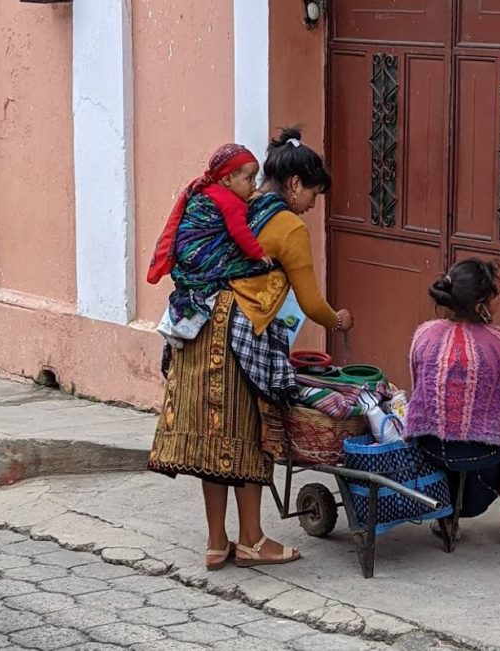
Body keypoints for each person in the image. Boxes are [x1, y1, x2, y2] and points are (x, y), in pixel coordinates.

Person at [148, 127, 354, 569]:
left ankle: (216, 542)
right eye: (314, 195)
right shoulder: (288, 226)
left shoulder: (239, 202)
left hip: (196, 325)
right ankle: (254, 541)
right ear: (296, 184)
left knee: (210, 438)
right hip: (240, 337)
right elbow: (312, 302)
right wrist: (338, 320)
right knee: (248, 436)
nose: (314, 206)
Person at [404, 257, 500, 546]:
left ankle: (448, 518)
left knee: (449, 431)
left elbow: (418, 388)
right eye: (496, 291)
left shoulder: (424, 334)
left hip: (429, 449)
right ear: (479, 306)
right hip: (481, 459)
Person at [148, 143, 273, 348]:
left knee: (191, 287)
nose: (253, 185)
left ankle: (171, 325)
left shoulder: (206, 189)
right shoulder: (231, 203)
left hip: (185, 252)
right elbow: (239, 232)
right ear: (227, 179)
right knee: (223, 278)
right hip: (200, 254)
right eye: (249, 179)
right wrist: (258, 254)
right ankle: (183, 328)